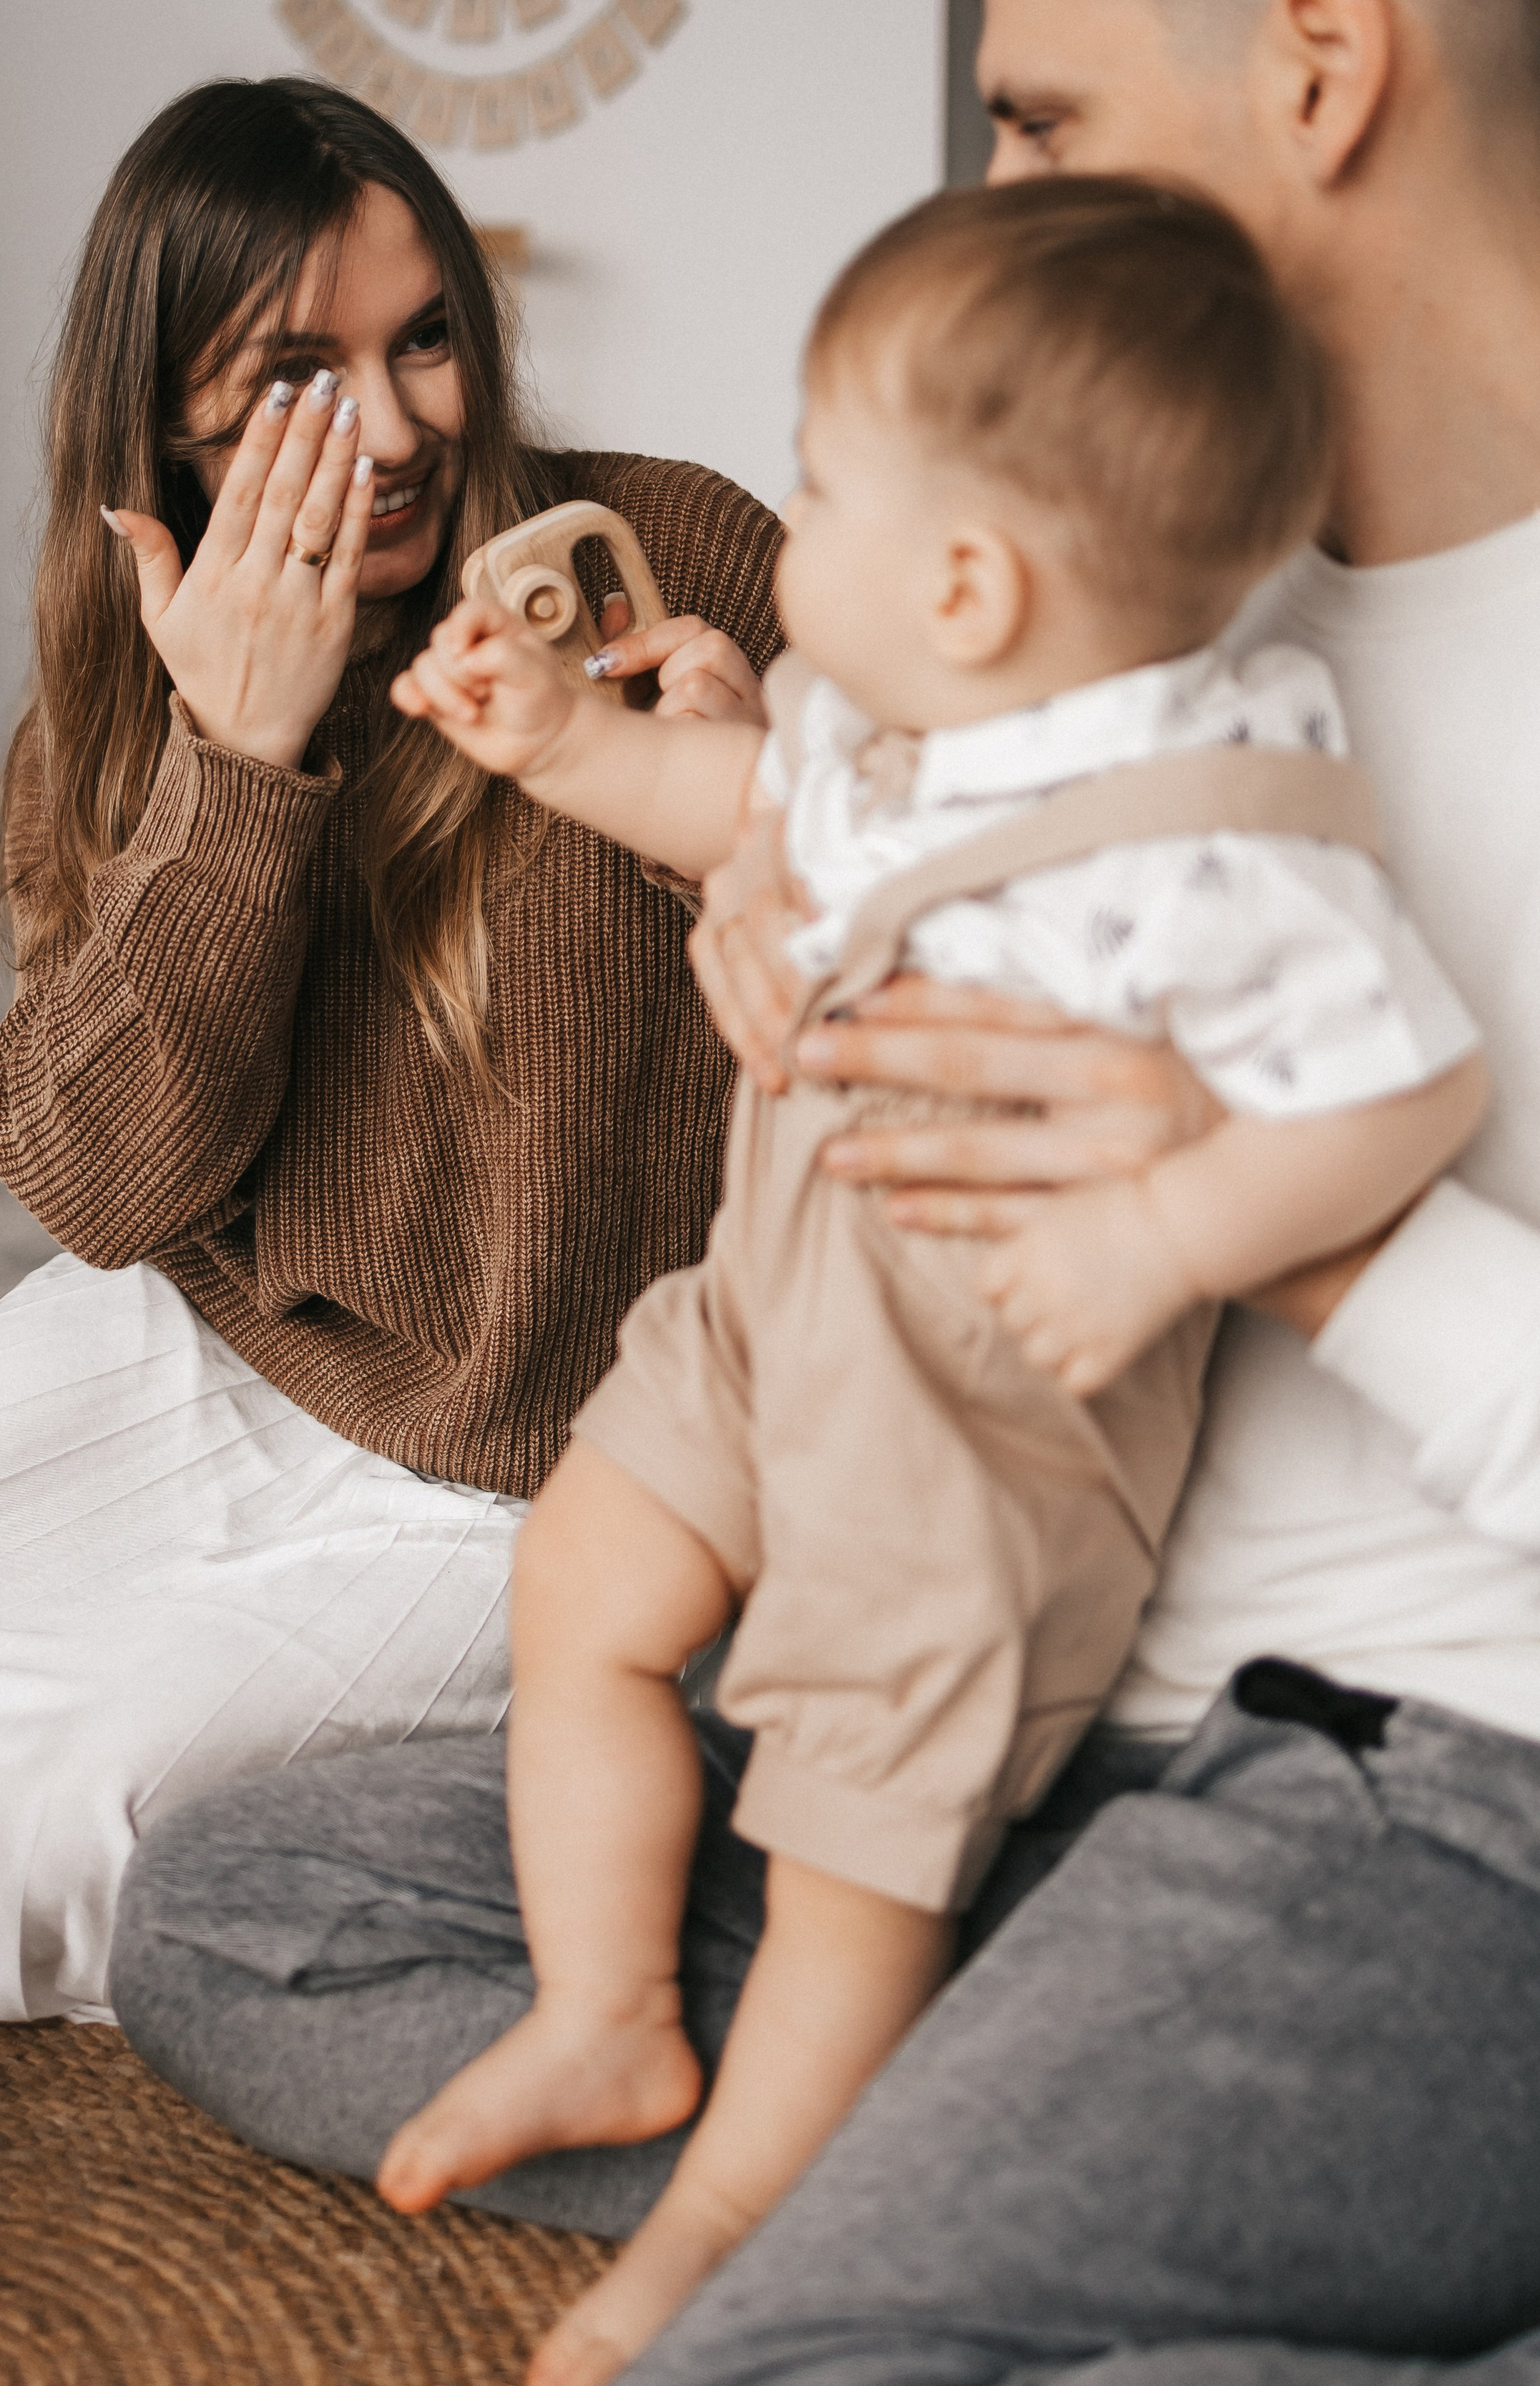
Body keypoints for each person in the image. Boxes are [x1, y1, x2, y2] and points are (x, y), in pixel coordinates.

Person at [110, 0, 1540, 2382]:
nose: (997, 199)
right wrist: (770, 884)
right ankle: (983, 2157)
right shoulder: (1116, 597)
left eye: (1038, 123)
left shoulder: (1292, 747)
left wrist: (1255, 1223)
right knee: (243, 1907)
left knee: (759, 2353)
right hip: (1015, 1723)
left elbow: (1294, 1116)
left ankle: (887, 2207)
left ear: (1325, 59)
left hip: (1426, 1799)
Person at [371, 172, 1484, 2385]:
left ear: (968, 580)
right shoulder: (889, 734)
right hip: (767, 1299)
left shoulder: (1221, 834)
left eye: (812, 484)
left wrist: (1163, 1228)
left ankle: (731, 2225)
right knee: (581, 1582)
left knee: (854, 1835)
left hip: (975, 1410)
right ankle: (610, 2019)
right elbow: (741, 811)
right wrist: (575, 747)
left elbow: (1405, 1099)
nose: (778, 526)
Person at [0, 77, 778, 2020]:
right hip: (206, 1349)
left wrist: (732, 807)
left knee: (73, 1809)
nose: (394, 429)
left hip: (549, 1461)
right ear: (172, 423)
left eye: (428, 336)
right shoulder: (151, 655)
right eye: (299, 376)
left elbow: (903, 1011)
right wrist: (240, 767)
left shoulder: (686, 552)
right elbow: (102, 1187)